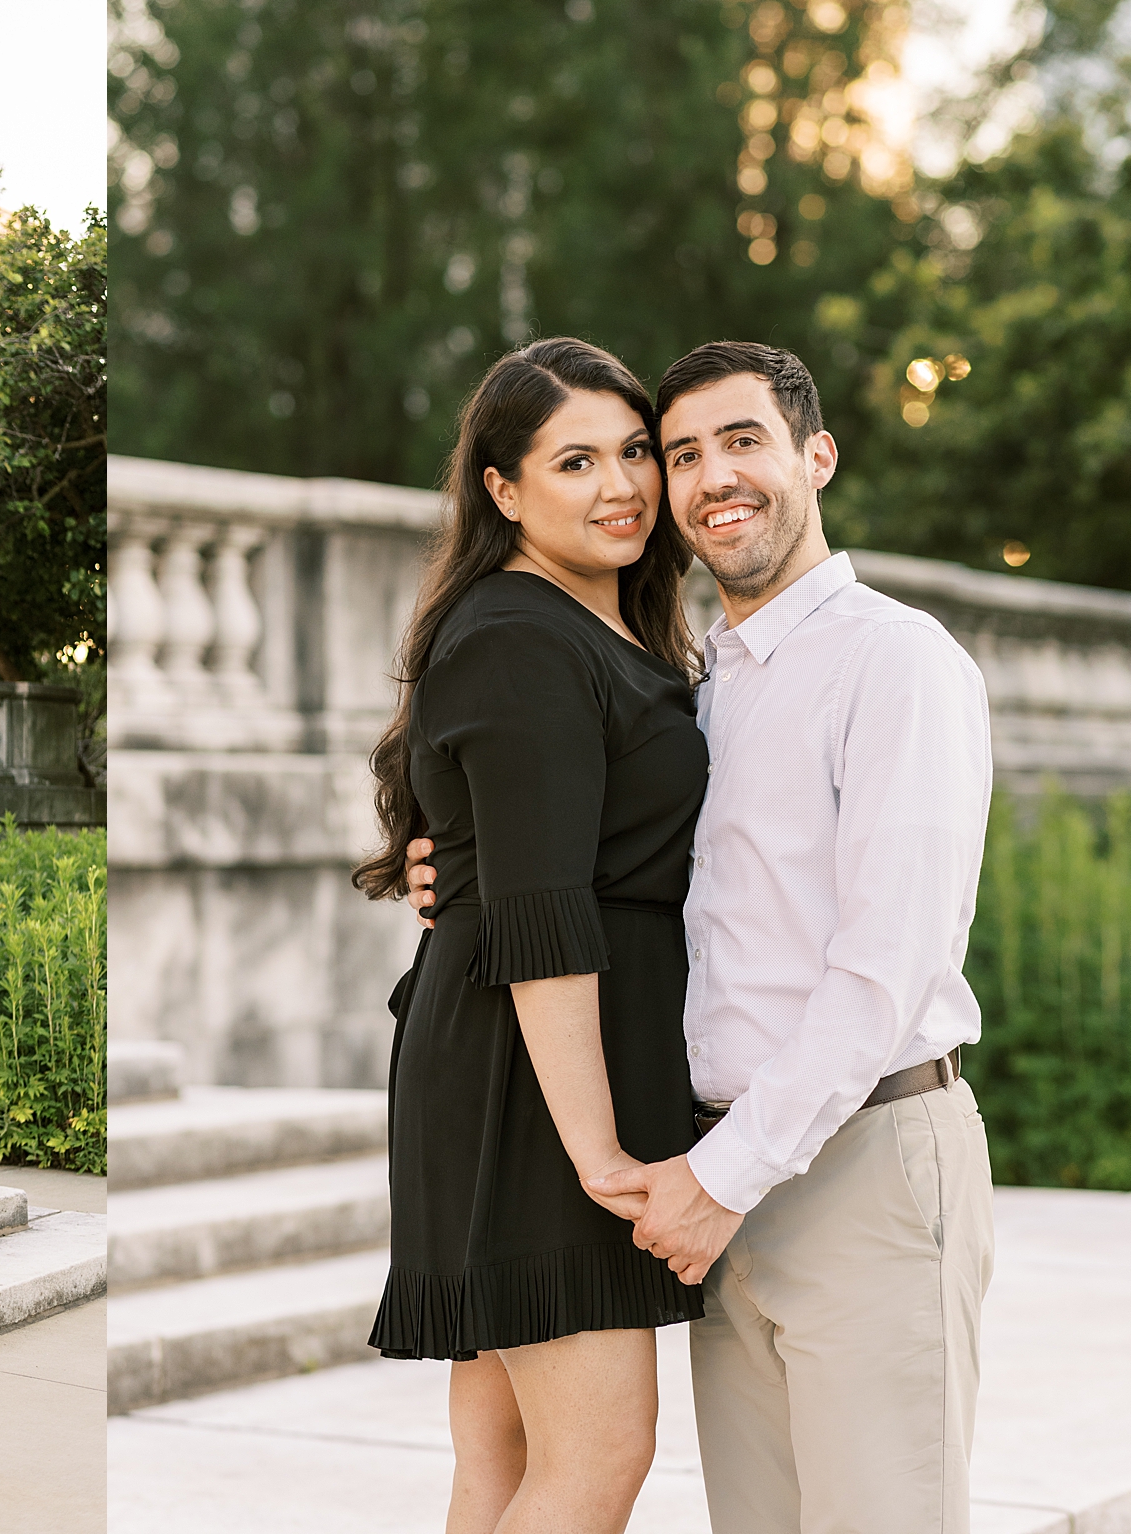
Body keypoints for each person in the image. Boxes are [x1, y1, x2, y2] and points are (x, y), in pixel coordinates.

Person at [410, 342, 996, 1532]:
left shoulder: (893, 660)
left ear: (814, 457)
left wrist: (708, 1180)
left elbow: (883, 969)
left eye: (739, 442)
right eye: (677, 453)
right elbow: (565, 855)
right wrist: (452, 874)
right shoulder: (696, 677)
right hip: (706, 1170)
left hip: (848, 1155)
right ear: (503, 488)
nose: (697, 476)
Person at [354, 337, 706, 1534]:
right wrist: (599, 1153)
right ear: (501, 489)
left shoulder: (591, 627)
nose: (621, 486)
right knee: (595, 1456)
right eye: (574, 461)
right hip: (539, 1085)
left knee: (502, 1462)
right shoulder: (520, 634)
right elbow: (540, 921)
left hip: (524, 1066)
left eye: (631, 452)